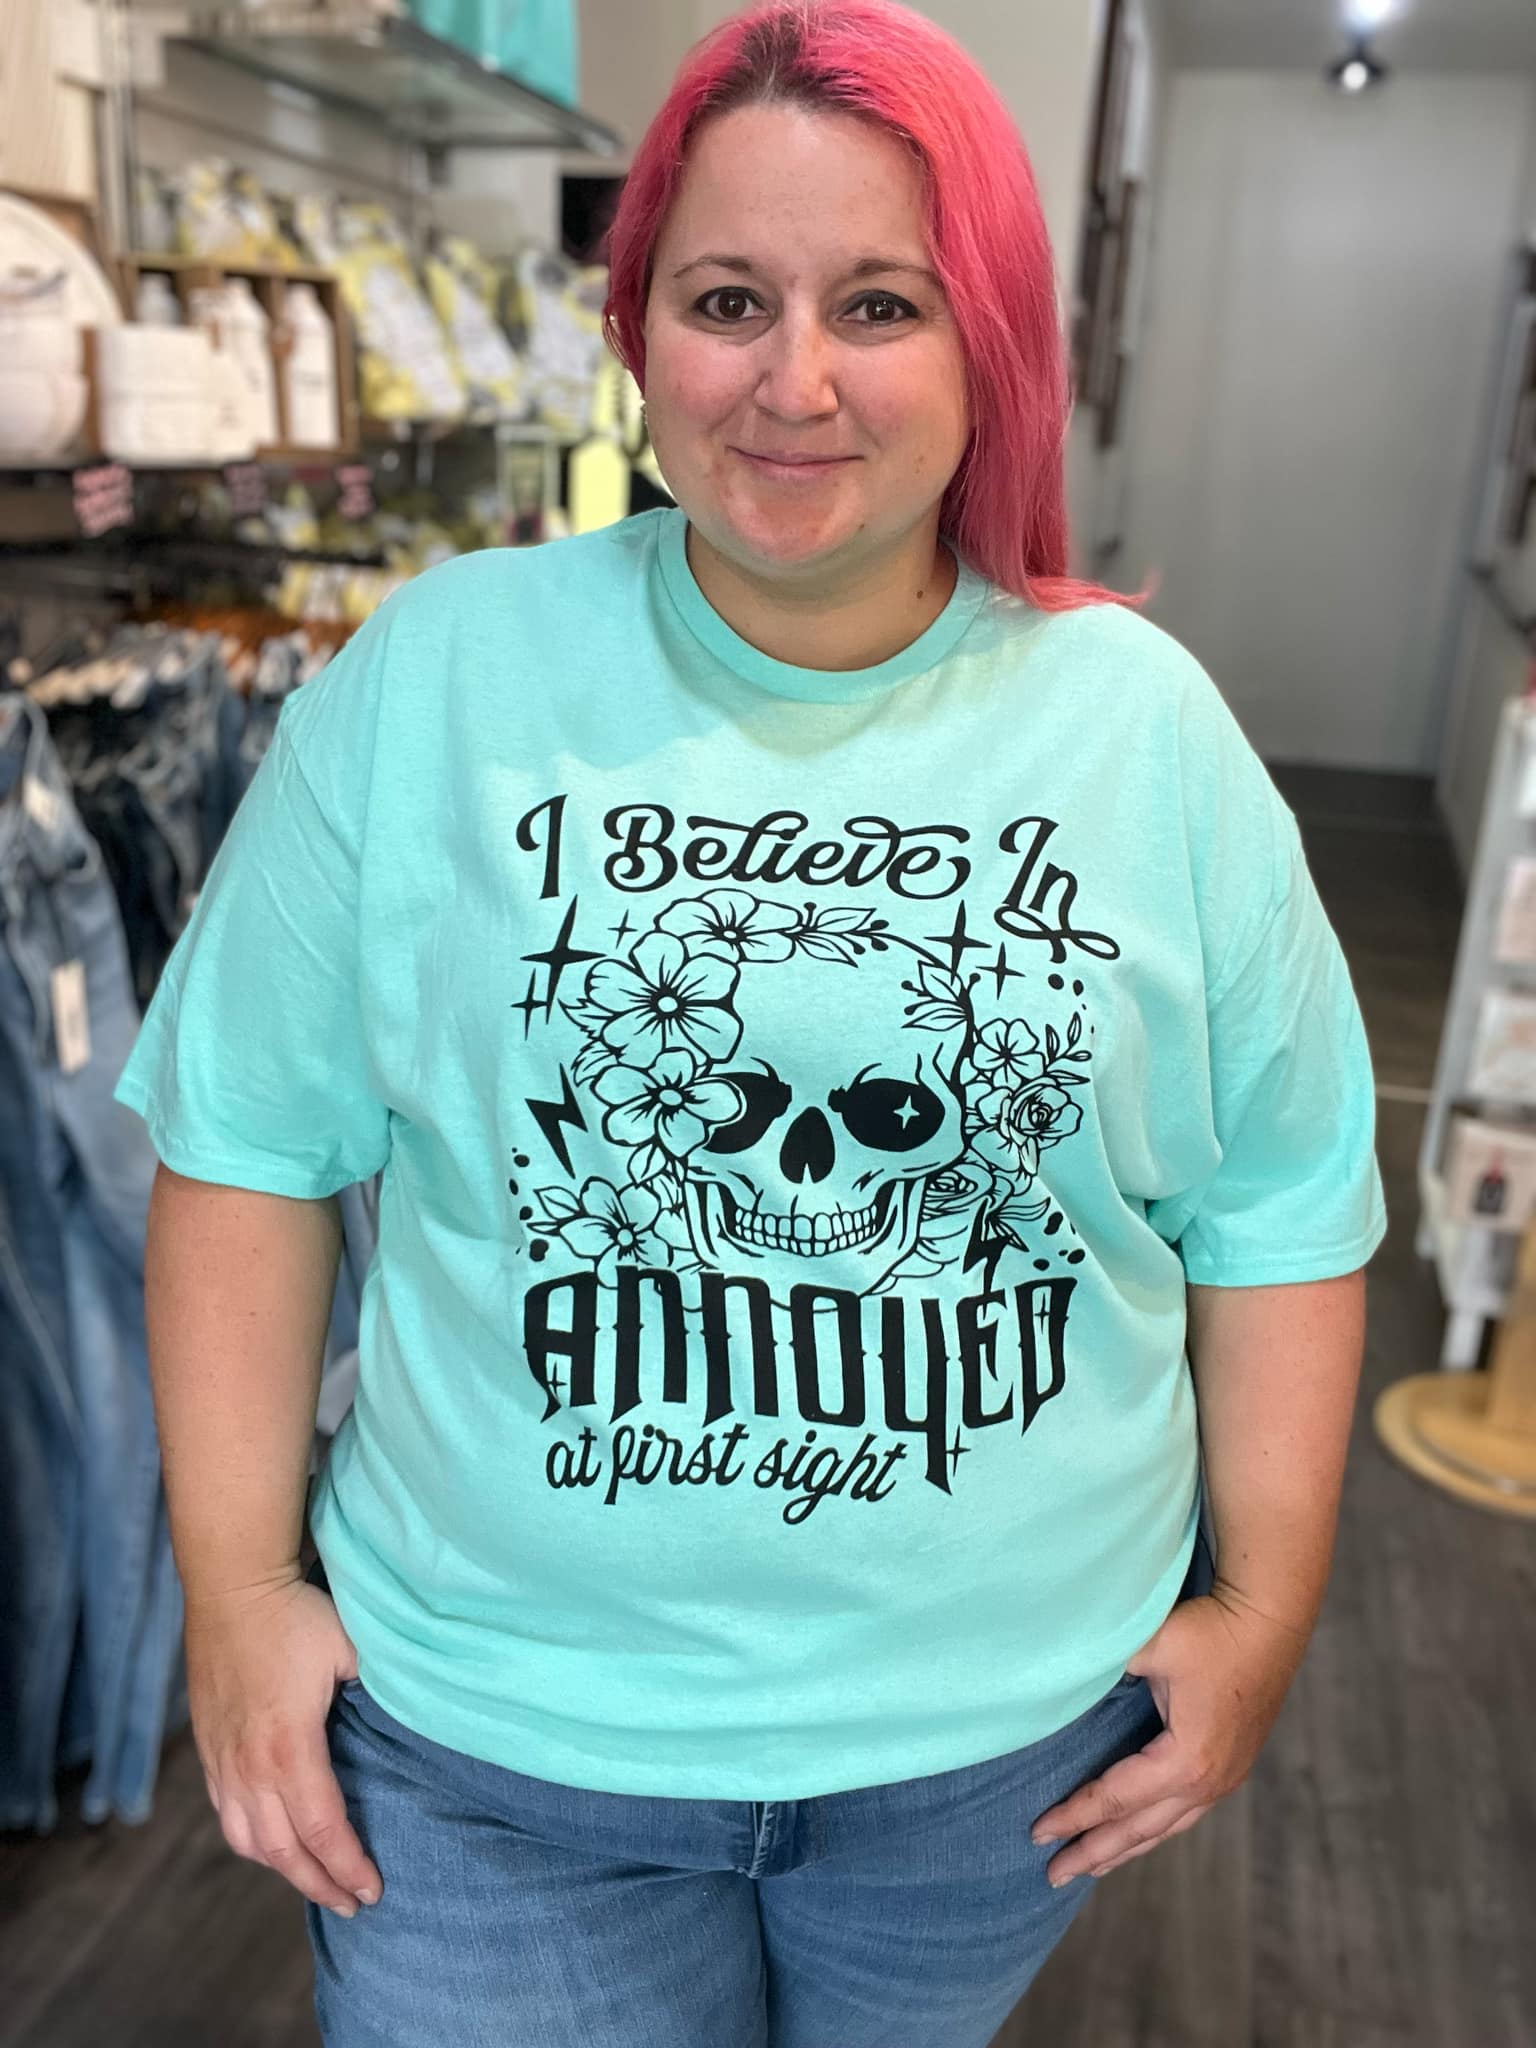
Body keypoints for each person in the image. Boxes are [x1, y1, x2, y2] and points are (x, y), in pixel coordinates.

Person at [116, 2, 1387, 2043]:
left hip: (996, 1764)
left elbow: (1283, 1202)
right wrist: (240, 1591)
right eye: (728, 301)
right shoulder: (434, 678)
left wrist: (1263, 1609)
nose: (795, 381)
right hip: (489, 1752)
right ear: (637, 331)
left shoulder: (1147, 735)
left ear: (987, 339)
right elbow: (249, 1141)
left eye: (879, 303)